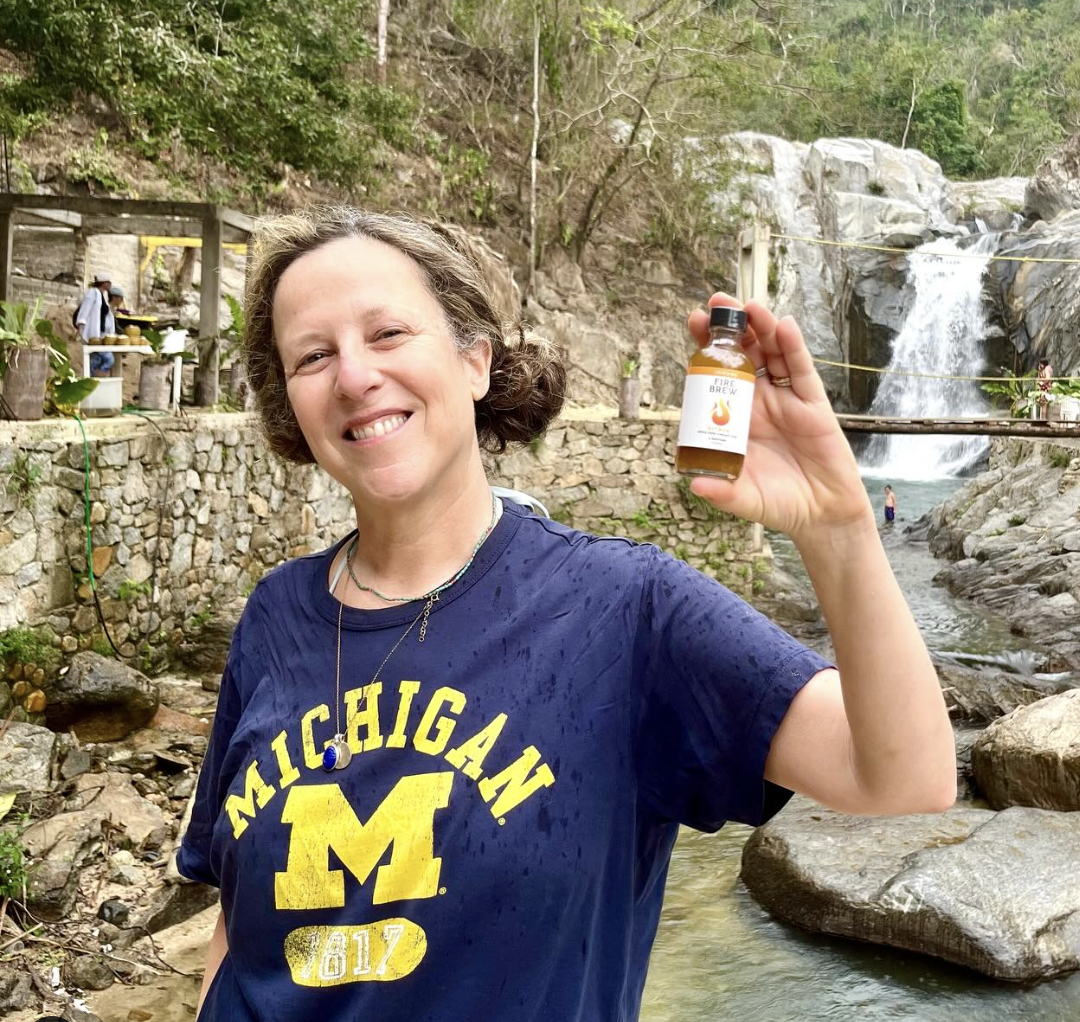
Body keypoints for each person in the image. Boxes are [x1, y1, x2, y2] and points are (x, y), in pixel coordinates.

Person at [176, 208, 956, 1022]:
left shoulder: (626, 609)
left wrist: (837, 530)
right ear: (290, 403)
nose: (353, 376)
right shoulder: (275, 616)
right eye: (313, 355)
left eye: (388, 333)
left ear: (475, 359)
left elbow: (905, 776)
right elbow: (239, 920)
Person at [74, 271, 115, 376]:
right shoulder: (92, 293)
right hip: (92, 334)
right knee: (109, 359)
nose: (110, 285)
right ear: (104, 283)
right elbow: (85, 309)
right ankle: (97, 376)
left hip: (100, 334)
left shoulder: (101, 296)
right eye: (108, 282)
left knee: (96, 360)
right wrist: (81, 325)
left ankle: (92, 382)